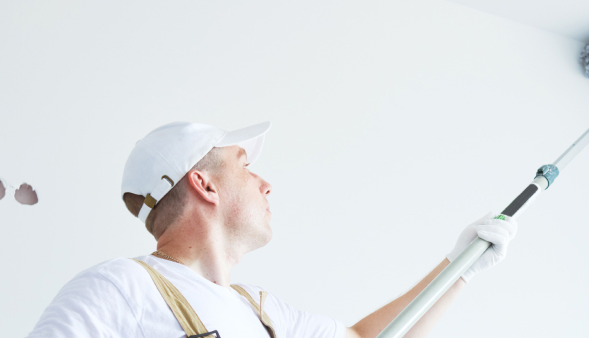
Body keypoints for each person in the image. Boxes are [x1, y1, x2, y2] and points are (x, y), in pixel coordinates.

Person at [27, 121, 517, 338]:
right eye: (244, 166)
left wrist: (459, 268)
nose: (266, 183)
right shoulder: (121, 288)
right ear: (204, 184)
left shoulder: (261, 314)